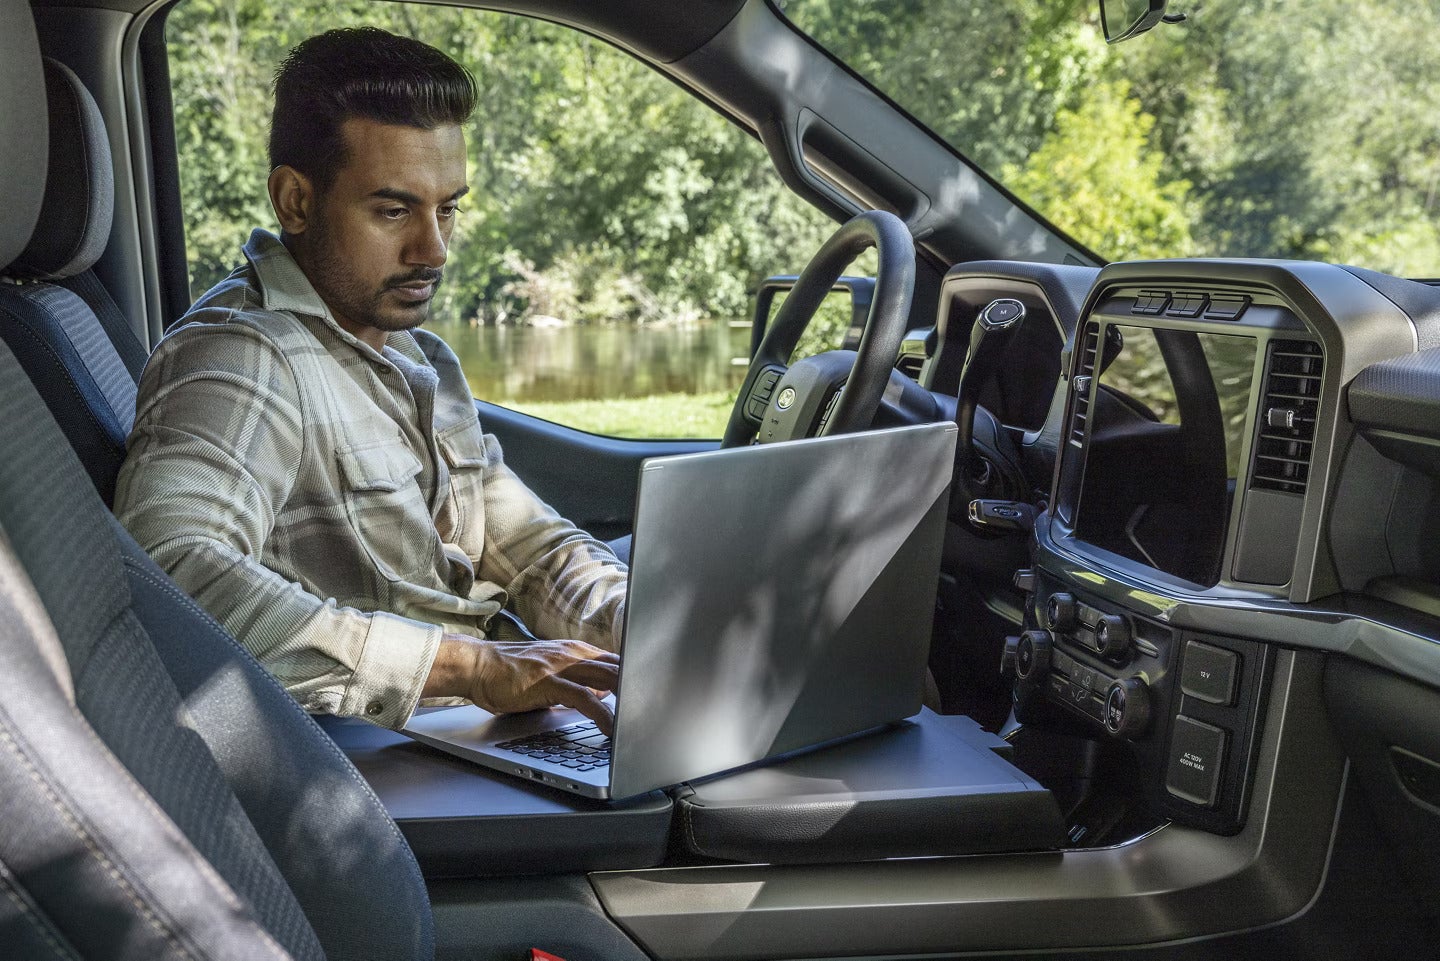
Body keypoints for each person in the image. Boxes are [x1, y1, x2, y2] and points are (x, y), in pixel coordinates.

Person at [115, 28, 627, 735]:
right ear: (295, 200)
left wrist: (643, 630)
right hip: (374, 758)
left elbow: (527, 546)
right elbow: (168, 573)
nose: (434, 248)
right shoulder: (243, 355)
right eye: (394, 210)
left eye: (447, 207)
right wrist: (469, 668)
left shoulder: (419, 355)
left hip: (476, 731)